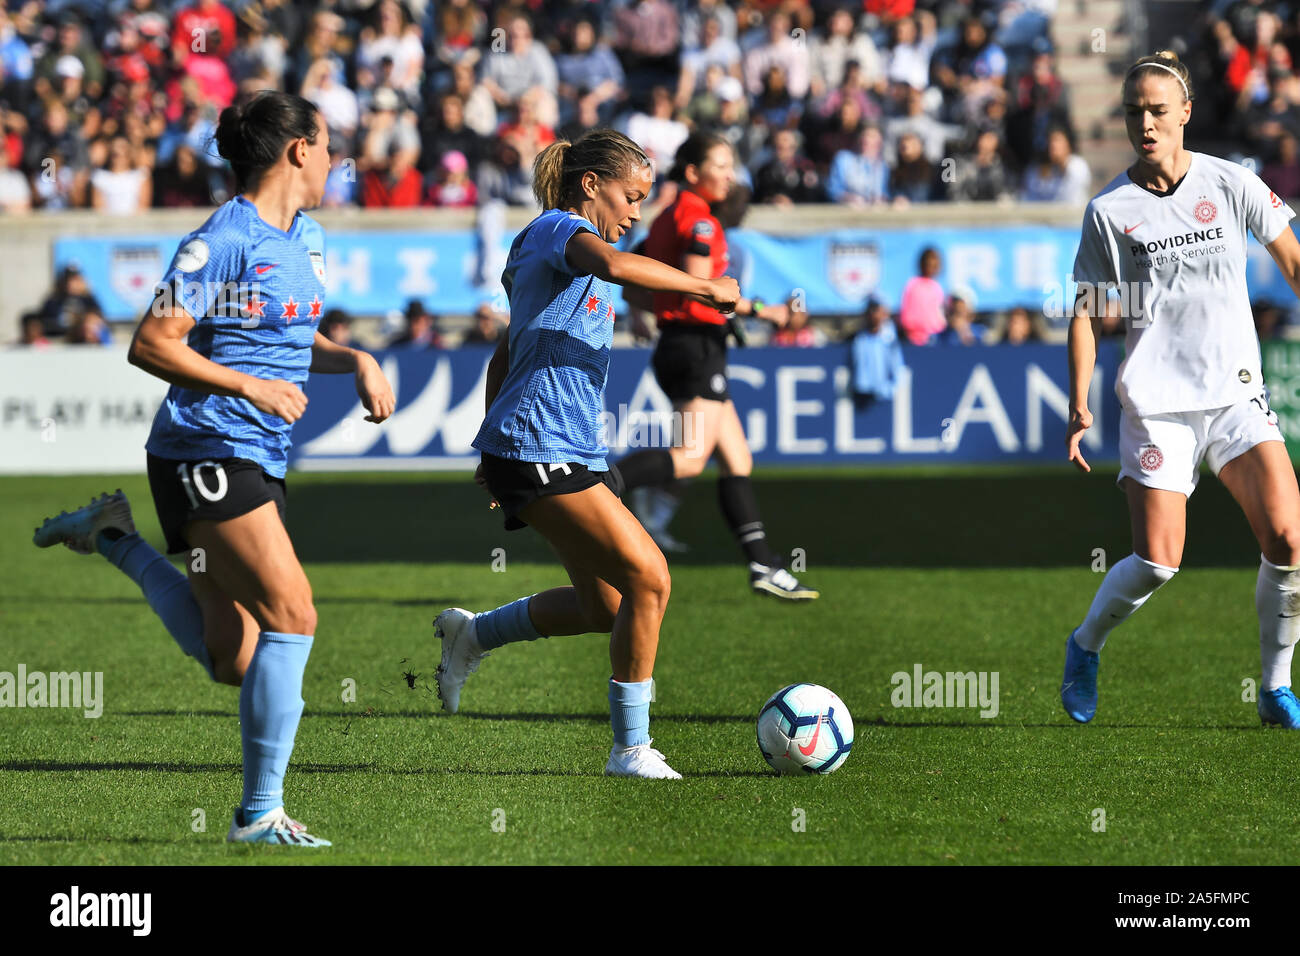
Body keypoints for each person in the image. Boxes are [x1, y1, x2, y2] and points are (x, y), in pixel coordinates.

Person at [32, 91, 395, 843]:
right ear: (298, 150)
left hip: (254, 450)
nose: (337, 160)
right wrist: (249, 385)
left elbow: (292, 339)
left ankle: (113, 539)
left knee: (234, 658)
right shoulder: (222, 238)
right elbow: (153, 342)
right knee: (294, 613)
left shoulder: (307, 238)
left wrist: (354, 358)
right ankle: (258, 815)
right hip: (207, 447)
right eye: (328, 146)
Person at [433, 128, 739, 779]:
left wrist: (490, 444)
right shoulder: (554, 231)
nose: (635, 213)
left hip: (562, 447)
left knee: (605, 607)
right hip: (541, 448)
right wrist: (705, 287)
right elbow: (622, 268)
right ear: (591, 185)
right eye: (630, 198)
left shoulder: (574, 258)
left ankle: (474, 634)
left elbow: (509, 349)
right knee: (651, 579)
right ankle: (630, 749)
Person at [1063, 51, 1300, 729]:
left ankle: (1275, 687)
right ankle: (1084, 646)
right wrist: (1079, 402)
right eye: (1135, 110)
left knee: (1288, 536)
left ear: (1186, 113)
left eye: (1158, 110)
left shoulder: (1232, 183)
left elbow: (1293, 260)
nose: (1145, 122)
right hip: (1157, 404)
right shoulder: (1109, 210)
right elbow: (1082, 311)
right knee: (1158, 564)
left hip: (1233, 395)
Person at [611, 132, 819, 600]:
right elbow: (701, 288)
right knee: (688, 459)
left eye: (731, 166)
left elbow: (631, 278)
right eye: (721, 166)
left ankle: (764, 566)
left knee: (736, 459)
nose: (730, 175)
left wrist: (648, 310)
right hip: (696, 347)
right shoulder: (700, 221)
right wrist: (770, 313)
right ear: (692, 173)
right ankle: (599, 488)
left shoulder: (666, 218)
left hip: (687, 345)